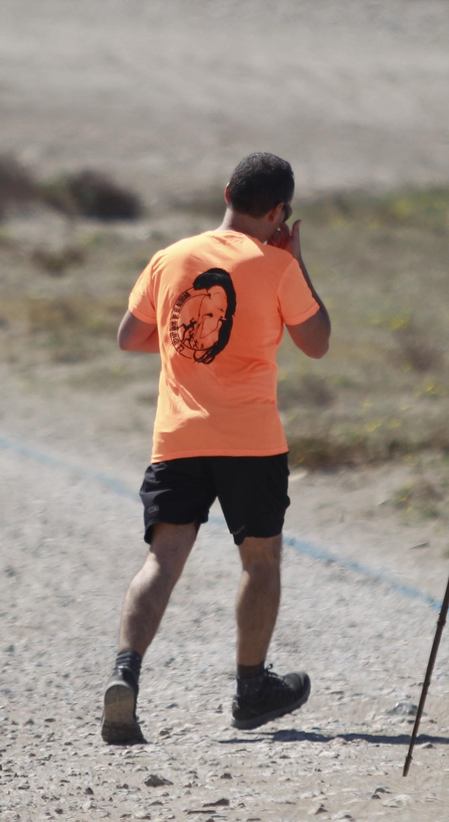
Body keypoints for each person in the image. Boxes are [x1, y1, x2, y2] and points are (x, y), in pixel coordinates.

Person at [101, 152, 332, 744]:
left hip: (179, 436)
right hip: (251, 441)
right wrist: (295, 263)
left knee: (163, 559)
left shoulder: (171, 257)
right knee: (260, 561)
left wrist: (188, 344)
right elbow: (317, 342)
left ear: (227, 191)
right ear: (280, 212)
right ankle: (252, 689)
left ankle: (126, 673)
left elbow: (131, 337)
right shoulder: (276, 264)